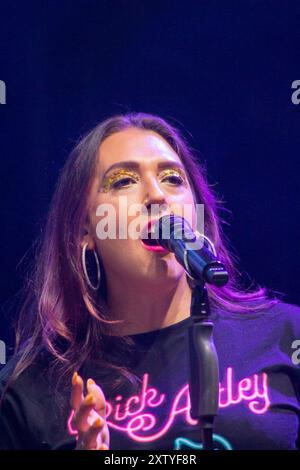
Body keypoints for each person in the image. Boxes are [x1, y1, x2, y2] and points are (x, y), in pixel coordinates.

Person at [0, 112, 299, 451]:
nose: (157, 196)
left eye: (173, 178)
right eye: (124, 181)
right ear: (85, 230)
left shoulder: (286, 336)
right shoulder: (30, 390)